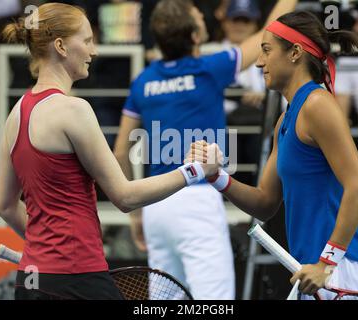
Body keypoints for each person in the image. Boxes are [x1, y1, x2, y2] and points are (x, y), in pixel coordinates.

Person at [0, 3, 221, 300]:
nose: (95, 51)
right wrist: (195, 170)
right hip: (77, 278)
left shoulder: (15, 114)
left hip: (32, 281)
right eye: (87, 40)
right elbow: (125, 197)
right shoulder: (73, 110)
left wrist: (43, 250)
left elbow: (5, 206)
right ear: (61, 46)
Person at [114, 0, 298, 299]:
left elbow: (121, 152)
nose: (202, 13)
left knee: (165, 302)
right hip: (198, 197)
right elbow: (266, 33)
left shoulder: (142, 82)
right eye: (198, 15)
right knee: (214, 302)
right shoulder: (210, 68)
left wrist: (136, 213)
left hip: (155, 203)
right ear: (196, 37)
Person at [188, 10, 358, 299]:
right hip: (314, 273)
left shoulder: (318, 105)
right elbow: (265, 203)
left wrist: (327, 262)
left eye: (266, 50)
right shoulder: (285, 120)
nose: (259, 62)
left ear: (295, 53)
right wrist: (217, 176)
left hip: (343, 273)